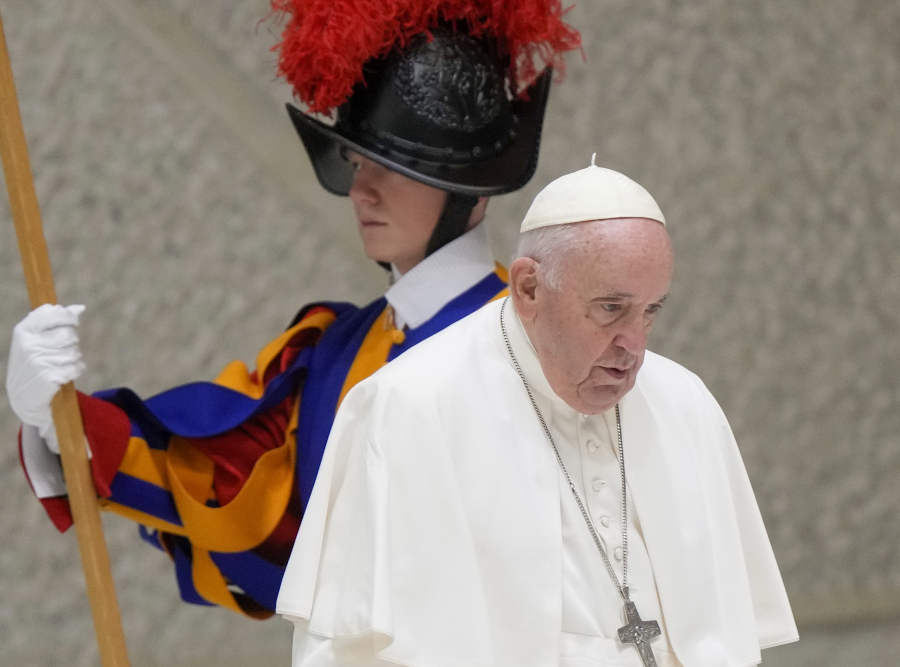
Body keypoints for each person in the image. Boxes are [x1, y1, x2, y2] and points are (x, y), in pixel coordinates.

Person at [6, 2, 580, 618]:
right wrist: (61, 422)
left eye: (392, 165)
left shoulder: (540, 352)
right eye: (357, 160)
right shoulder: (335, 351)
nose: (362, 187)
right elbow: (225, 487)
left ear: (467, 181)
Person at [277, 161, 799, 667]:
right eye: (611, 308)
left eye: (651, 311)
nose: (634, 345)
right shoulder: (409, 406)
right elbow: (342, 649)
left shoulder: (685, 403)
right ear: (528, 288)